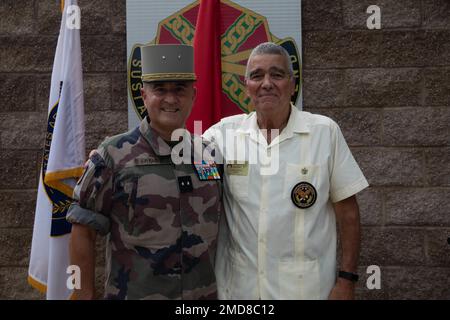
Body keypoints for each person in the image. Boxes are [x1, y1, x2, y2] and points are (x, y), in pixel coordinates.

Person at [203, 42, 369, 300]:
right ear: (247, 86)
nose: (266, 83)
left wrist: (347, 279)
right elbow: (184, 177)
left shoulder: (325, 133)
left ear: (292, 85)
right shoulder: (221, 136)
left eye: (276, 74)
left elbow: (348, 212)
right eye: (257, 76)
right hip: (239, 291)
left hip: (305, 290)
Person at [66, 44, 222, 300]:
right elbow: (82, 230)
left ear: (194, 95)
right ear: (144, 95)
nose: (170, 99)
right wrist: (82, 295)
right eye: (160, 89)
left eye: (179, 90)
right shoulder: (113, 155)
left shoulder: (210, 155)